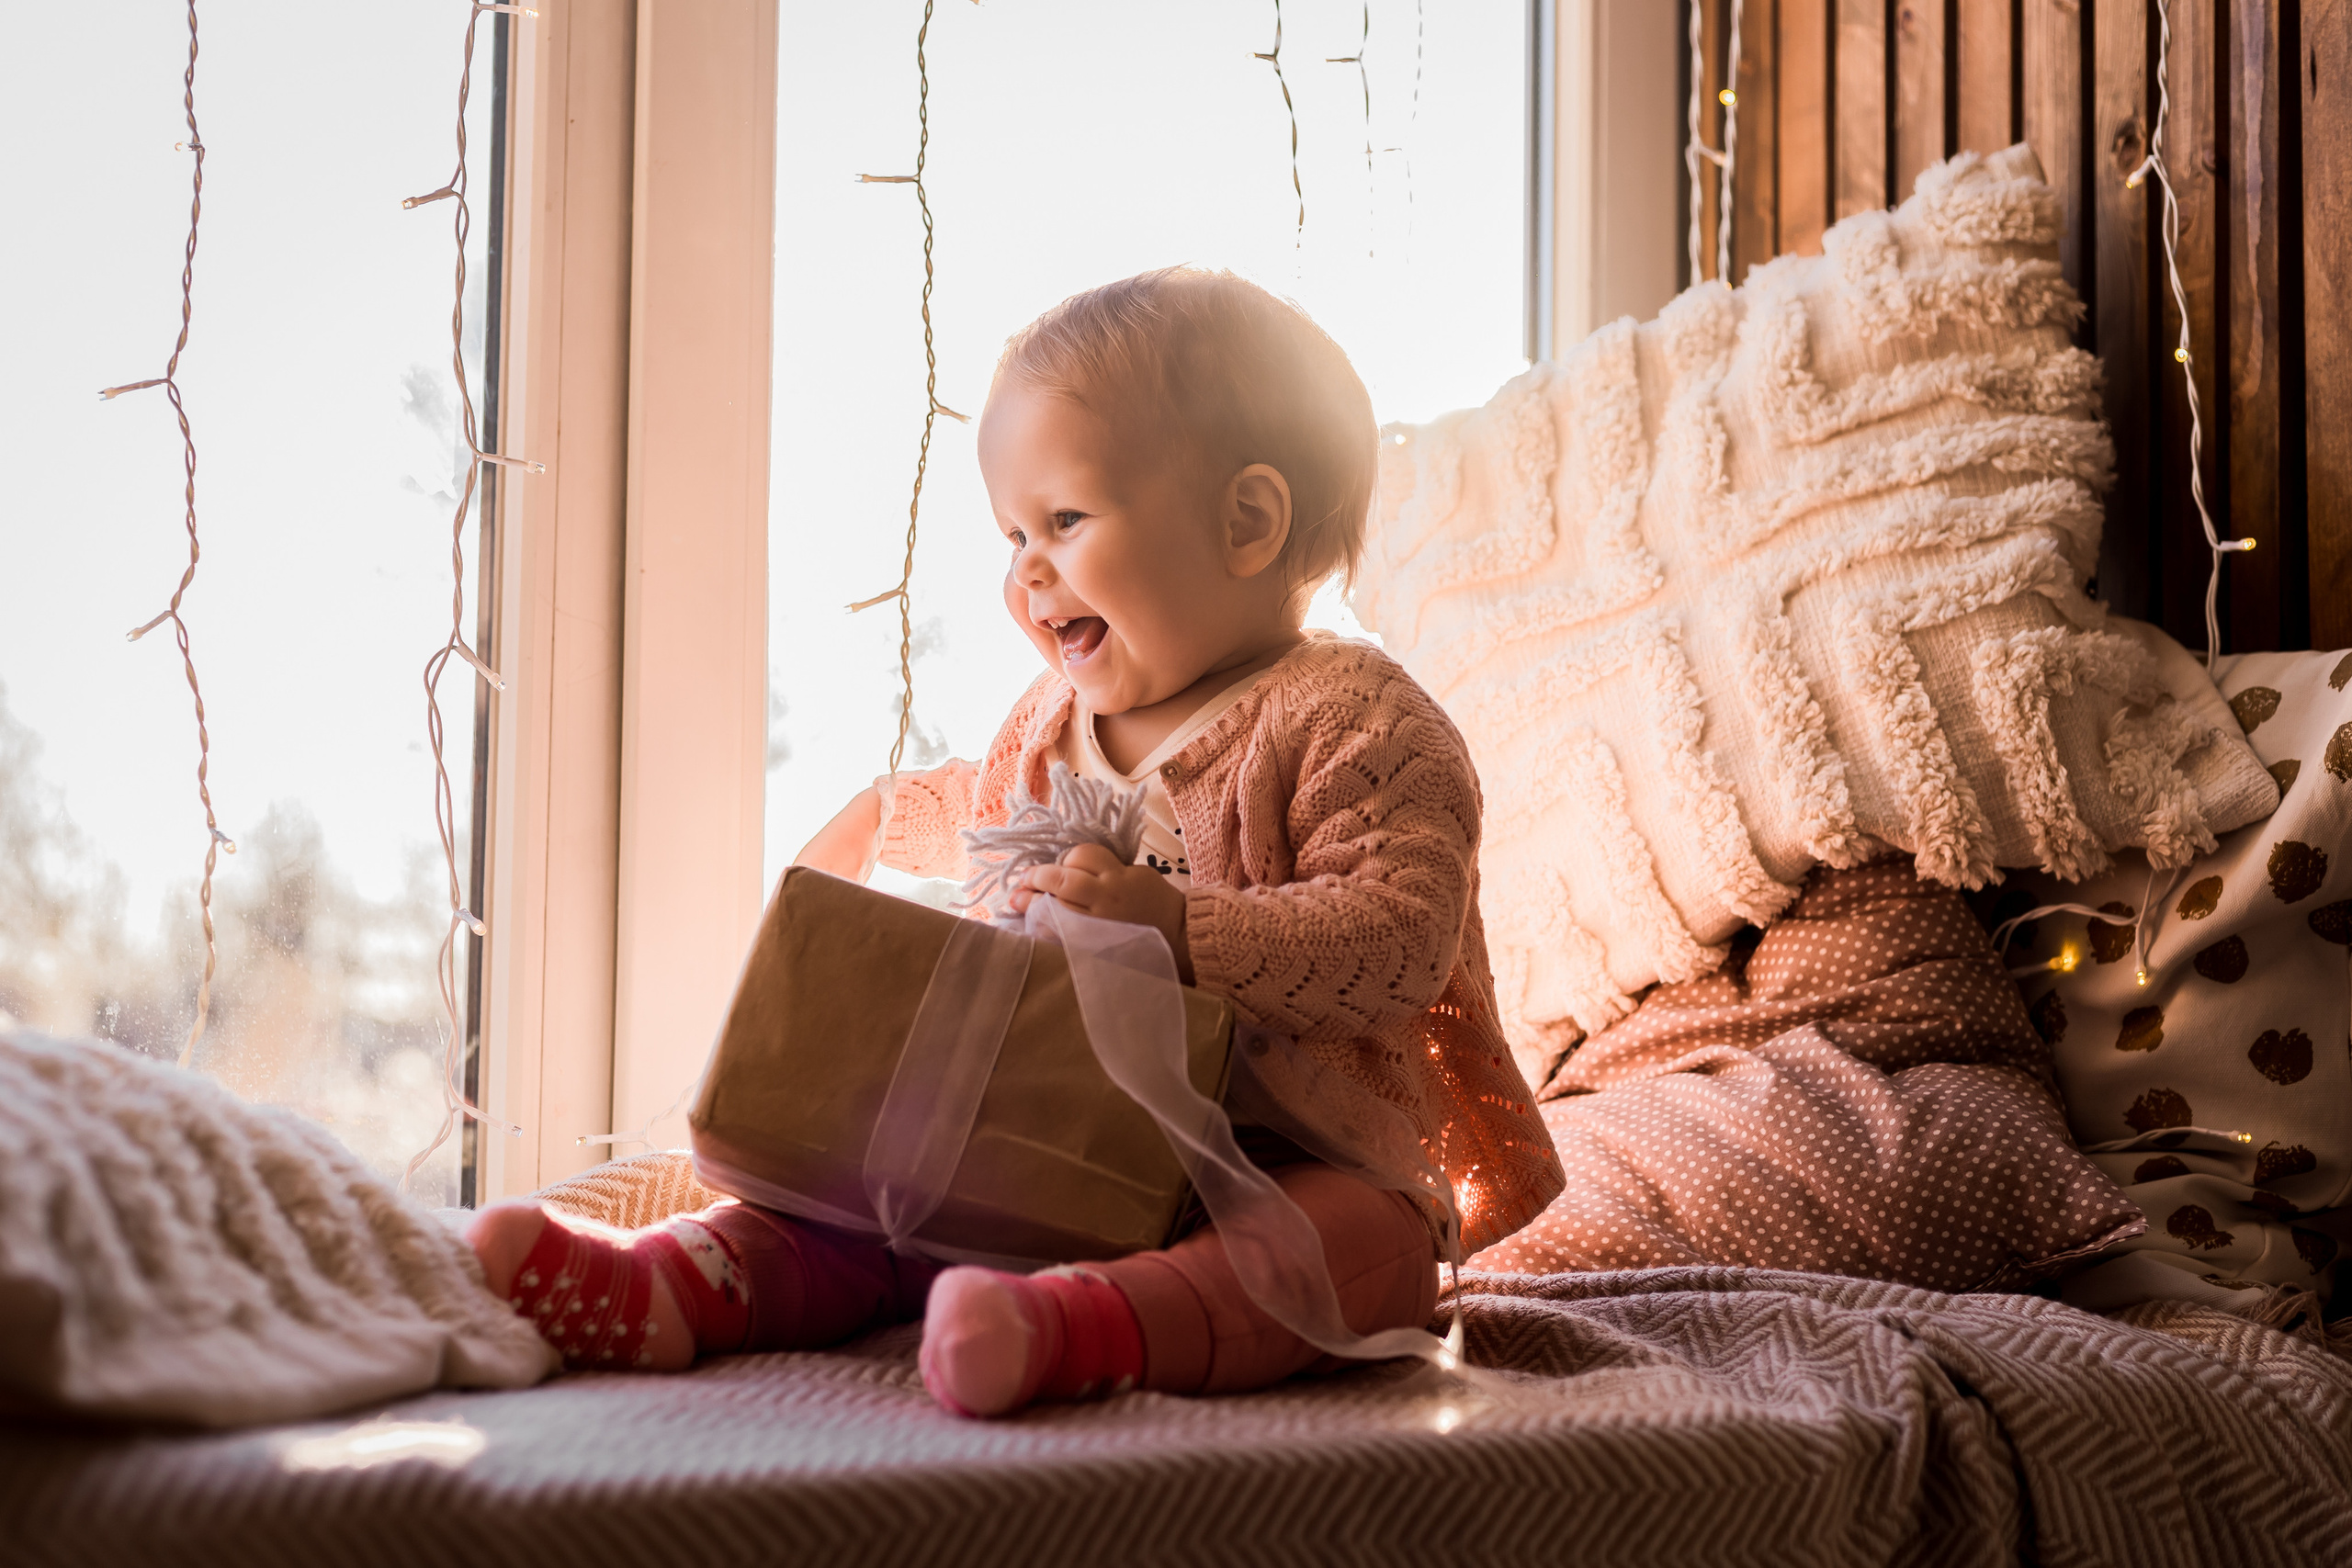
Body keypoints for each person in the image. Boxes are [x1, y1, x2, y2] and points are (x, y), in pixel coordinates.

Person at [467, 267, 1562, 1416]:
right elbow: (997, 821)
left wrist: (1181, 929)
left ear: (1246, 523)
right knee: (878, 1190)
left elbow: (1396, 941)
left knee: (1355, 1253)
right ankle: (684, 1285)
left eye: (1065, 522)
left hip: (1298, 1148)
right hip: (1069, 1127)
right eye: (1010, 536)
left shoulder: (1359, 720)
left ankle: (1080, 1327)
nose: (1026, 572)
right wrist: (894, 813)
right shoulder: (1049, 725)